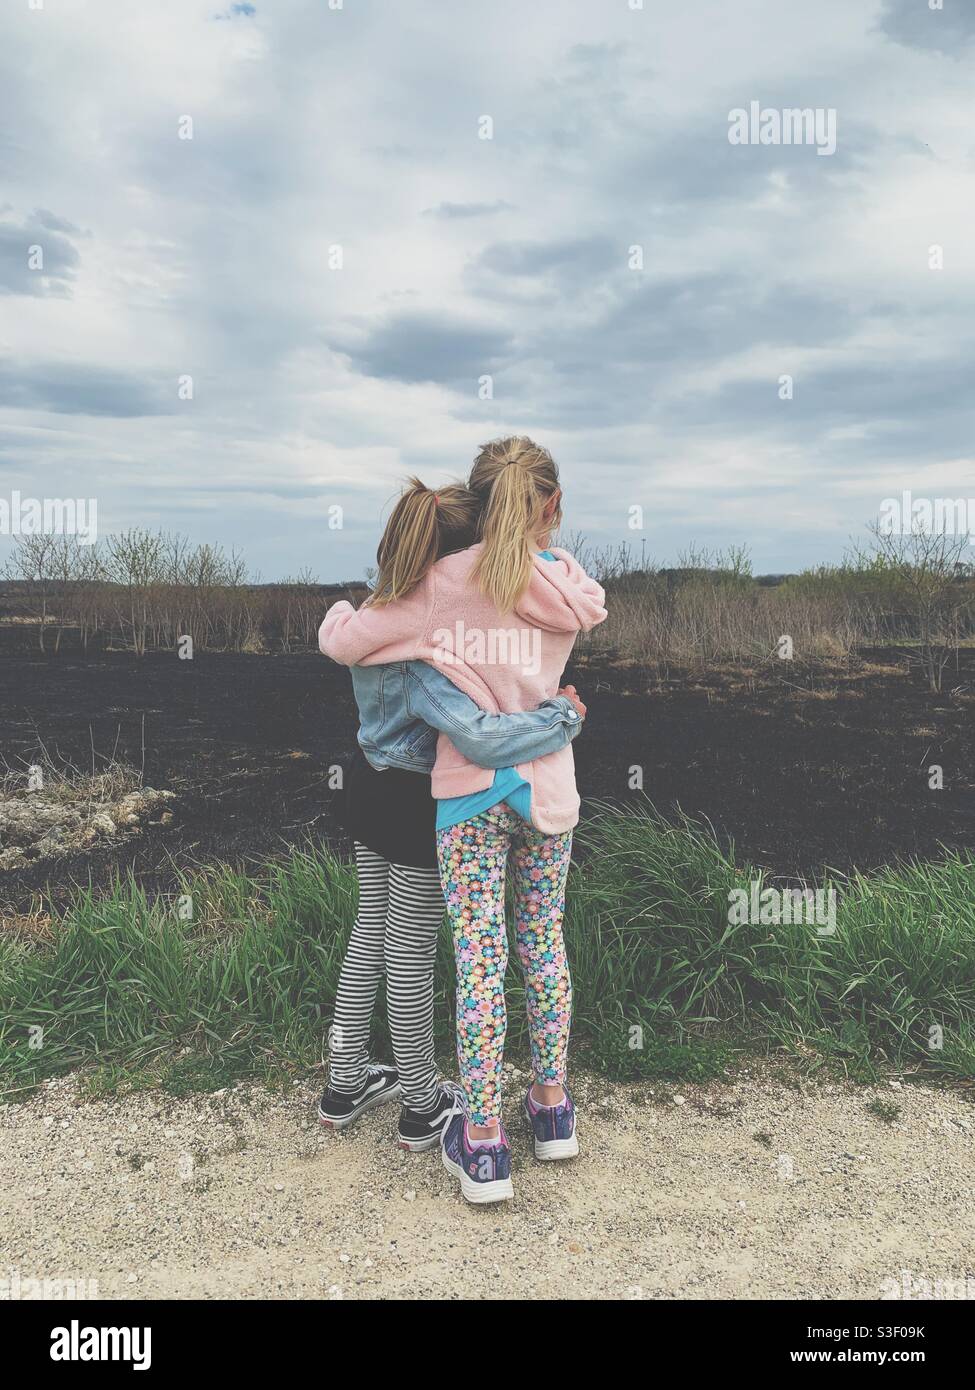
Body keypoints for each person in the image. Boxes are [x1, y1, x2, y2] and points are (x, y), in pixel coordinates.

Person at [320, 439, 606, 1202]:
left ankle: (481, 1144)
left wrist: (343, 613)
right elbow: (567, 601)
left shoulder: (446, 584)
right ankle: (551, 1112)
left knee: (479, 963)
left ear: (476, 506)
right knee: (543, 946)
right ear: (550, 507)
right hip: (548, 793)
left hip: (471, 797)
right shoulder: (569, 589)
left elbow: (352, 643)